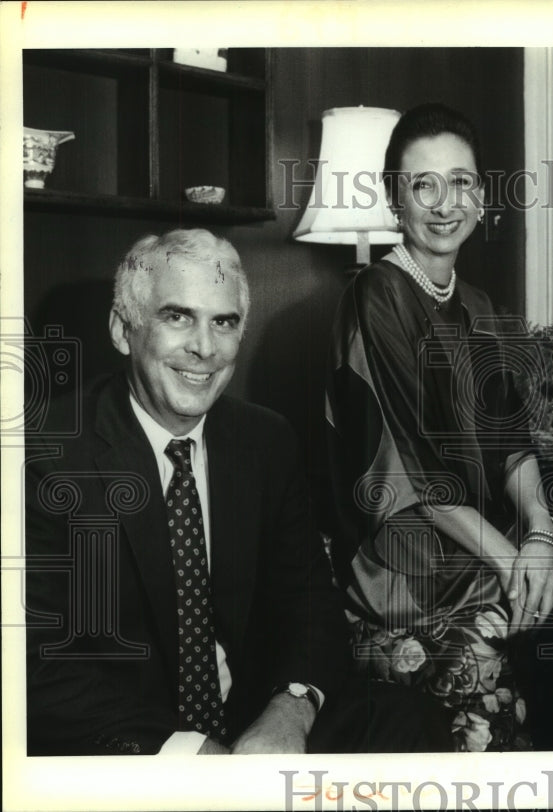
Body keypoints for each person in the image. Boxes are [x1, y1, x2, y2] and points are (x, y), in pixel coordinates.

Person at [25, 228, 449, 755]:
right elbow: (32, 663)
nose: (204, 348)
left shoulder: (265, 440)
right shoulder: (43, 456)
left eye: (223, 322)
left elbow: (310, 604)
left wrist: (291, 708)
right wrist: (191, 753)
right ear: (122, 330)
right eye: (177, 316)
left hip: (252, 728)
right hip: (127, 743)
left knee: (406, 721)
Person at [325, 103, 553, 751]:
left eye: (462, 181)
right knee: (526, 624)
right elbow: (418, 471)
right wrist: (509, 558)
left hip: (477, 544)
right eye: (423, 185)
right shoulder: (374, 296)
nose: (445, 204)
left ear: (482, 192)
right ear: (393, 199)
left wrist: (542, 539)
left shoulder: (479, 307)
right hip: (400, 565)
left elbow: (514, 446)